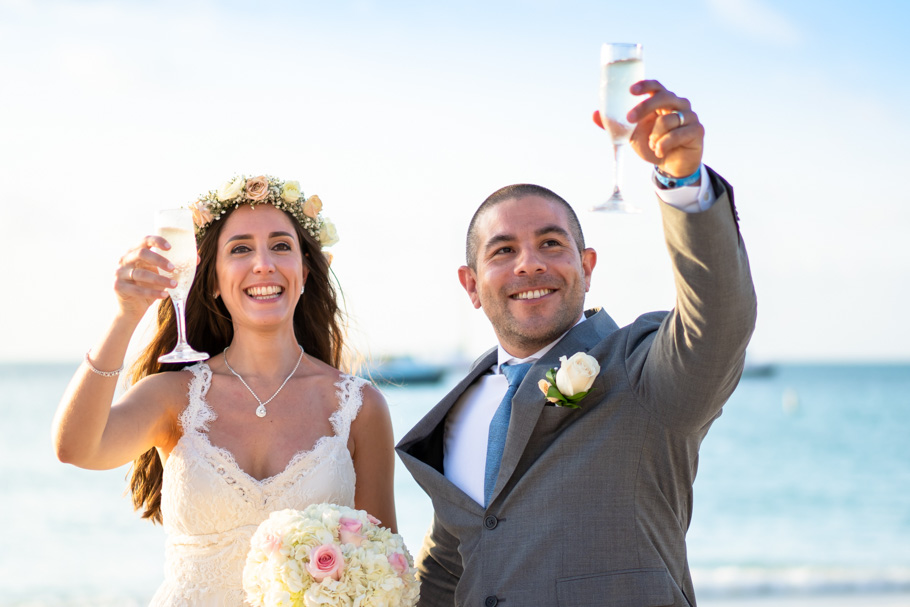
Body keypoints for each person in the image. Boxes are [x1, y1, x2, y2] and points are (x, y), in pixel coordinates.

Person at [396, 80, 757, 606]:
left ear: (586, 268)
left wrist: (684, 182)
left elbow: (718, 318)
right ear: (471, 285)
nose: (530, 263)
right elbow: (452, 564)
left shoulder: (643, 371)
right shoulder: (461, 409)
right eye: (502, 251)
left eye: (550, 243)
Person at [52, 175, 397, 606]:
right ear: (211, 280)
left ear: (305, 273)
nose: (263, 264)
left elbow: (384, 570)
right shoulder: (173, 396)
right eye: (240, 249)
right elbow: (76, 448)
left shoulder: (358, 407)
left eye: (281, 246)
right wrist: (126, 316)